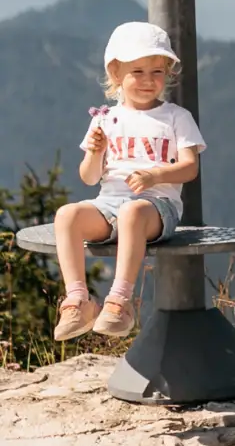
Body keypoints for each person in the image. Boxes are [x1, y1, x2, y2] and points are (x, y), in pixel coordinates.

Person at [53, 21, 206, 341]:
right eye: (137, 71)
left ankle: (119, 301)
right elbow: (90, 177)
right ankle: (78, 299)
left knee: (132, 213)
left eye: (157, 72)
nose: (148, 81)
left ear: (167, 73)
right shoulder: (105, 118)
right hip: (108, 203)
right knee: (67, 214)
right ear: (115, 74)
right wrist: (95, 154)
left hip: (156, 206)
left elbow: (190, 168)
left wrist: (156, 174)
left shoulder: (177, 117)